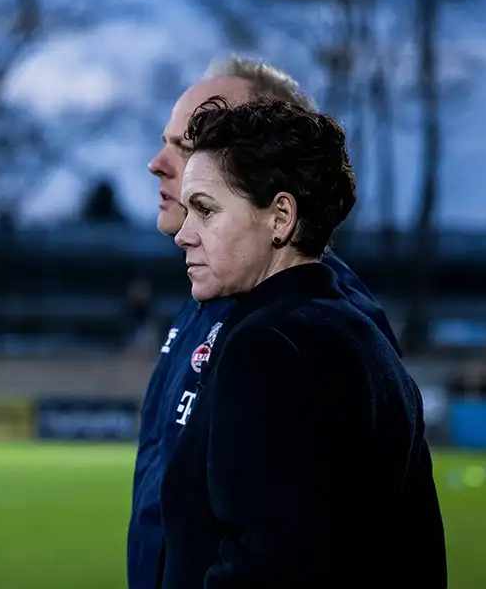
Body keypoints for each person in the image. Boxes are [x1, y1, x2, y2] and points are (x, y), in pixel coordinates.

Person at [127, 55, 402, 589]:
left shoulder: (292, 337)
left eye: (188, 145)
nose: (158, 163)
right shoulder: (211, 302)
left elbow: (278, 554)